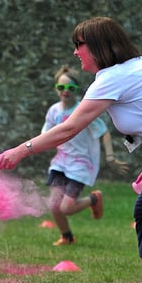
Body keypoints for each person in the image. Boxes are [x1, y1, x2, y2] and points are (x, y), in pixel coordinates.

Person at [0, 16, 142, 283]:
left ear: (97, 46)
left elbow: (70, 128)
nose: (75, 52)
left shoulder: (112, 78)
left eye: (79, 45)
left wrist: (20, 150)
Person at [42, 64, 128, 246]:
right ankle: (67, 237)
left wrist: (110, 156)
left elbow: (104, 132)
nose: (66, 91)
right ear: (56, 88)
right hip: (60, 163)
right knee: (54, 205)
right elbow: (45, 134)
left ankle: (94, 199)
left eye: (70, 88)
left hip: (81, 165)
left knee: (66, 207)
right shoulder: (54, 111)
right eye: (61, 87)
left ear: (76, 89)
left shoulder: (83, 110)